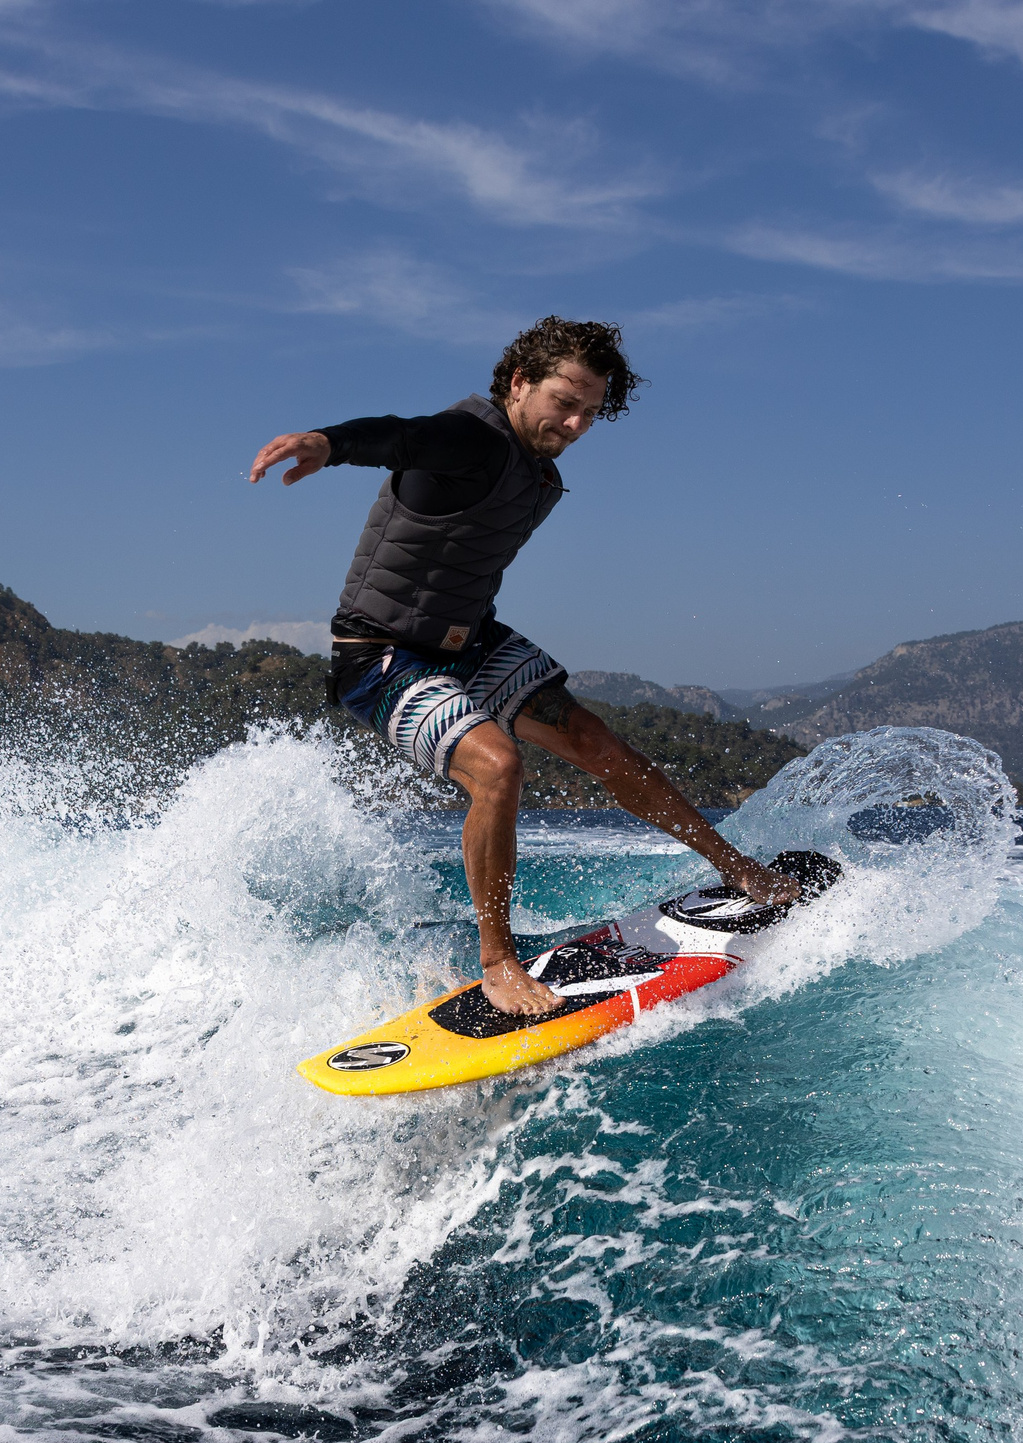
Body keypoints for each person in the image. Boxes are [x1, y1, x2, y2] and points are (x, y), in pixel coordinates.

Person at [249, 315, 799, 1018]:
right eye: (563, 402)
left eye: (590, 413)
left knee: (601, 747)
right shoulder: (472, 437)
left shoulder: (536, 470)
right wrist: (330, 443)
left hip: (471, 643)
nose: (574, 424)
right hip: (381, 656)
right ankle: (498, 963)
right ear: (518, 382)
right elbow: (404, 436)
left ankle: (736, 868)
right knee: (498, 765)